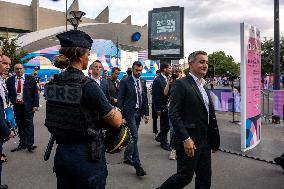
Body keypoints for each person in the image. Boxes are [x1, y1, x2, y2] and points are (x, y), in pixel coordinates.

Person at [44, 30, 124, 189]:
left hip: (62, 154)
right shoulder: (87, 85)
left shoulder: (55, 82)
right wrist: (118, 113)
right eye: (88, 53)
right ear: (81, 56)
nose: (89, 56)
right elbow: (115, 121)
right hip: (86, 156)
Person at [157, 51, 220, 189]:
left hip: (205, 141)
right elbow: (174, 114)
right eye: (201, 62)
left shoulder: (203, 85)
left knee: (205, 179)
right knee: (184, 177)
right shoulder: (181, 84)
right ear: (191, 64)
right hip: (189, 141)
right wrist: (186, 138)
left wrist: (214, 140)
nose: (205, 65)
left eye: (207, 62)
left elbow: (209, 115)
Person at [117, 61, 150, 176]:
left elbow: (144, 98)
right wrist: (121, 116)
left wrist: (146, 114)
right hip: (129, 113)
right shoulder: (125, 81)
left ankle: (127, 156)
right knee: (135, 136)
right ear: (132, 69)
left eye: (140, 70)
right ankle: (138, 166)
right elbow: (120, 99)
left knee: (132, 137)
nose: (138, 72)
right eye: (136, 70)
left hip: (139, 113)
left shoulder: (142, 81)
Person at [6, 63, 39, 152]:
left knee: (29, 125)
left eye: (20, 68)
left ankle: (29, 144)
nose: (19, 70)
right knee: (20, 125)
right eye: (17, 69)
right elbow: (8, 93)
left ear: (23, 69)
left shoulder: (30, 79)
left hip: (28, 106)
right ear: (14, 70)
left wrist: (36, 105)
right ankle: (22, 143)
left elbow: (35, 93)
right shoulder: (10, 80)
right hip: (16, 106)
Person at [0, 52, 15, 189]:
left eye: (9, 64)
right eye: (4, 63)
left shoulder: (1, 80)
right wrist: (5, 131)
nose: (7, 66)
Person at [152, 63, 172, 151]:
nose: (171, 70)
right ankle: (164, 143)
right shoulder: (157, 80)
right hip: (162, 107)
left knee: (167, 125)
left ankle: (160, 137)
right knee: (165, 125)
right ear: (164, 69)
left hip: (169, 106)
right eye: (169, 68)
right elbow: (155, 96)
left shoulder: (168, 79)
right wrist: (157, 109)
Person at [151, 69, 161, 138]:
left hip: (158, 103)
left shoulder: (161, 80)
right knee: (155, 118)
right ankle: (156, 132)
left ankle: (158, 132)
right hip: (155, 102)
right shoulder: (155, 81)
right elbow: (152, 92)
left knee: (158, 119)